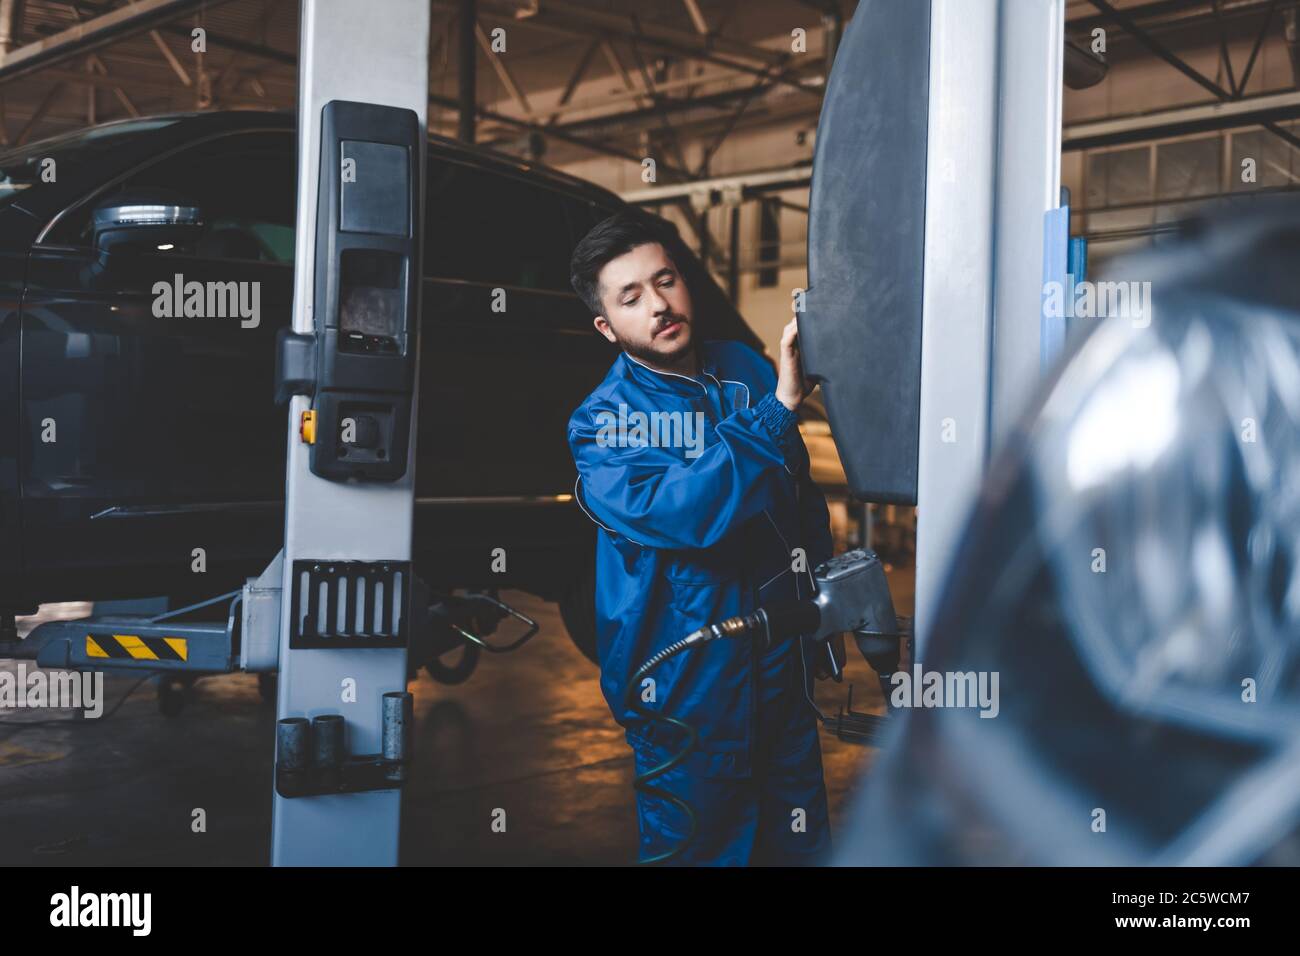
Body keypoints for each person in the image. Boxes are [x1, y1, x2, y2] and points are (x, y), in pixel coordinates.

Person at [566, 211, 836, 865]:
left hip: (779, 678)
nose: (658, 304)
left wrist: (825, 597)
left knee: (795, 848)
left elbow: (797, 496)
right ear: (606, 326)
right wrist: (776, 411)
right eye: (631, 296)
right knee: (703, 852)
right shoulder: (604, 423)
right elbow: (688, 510)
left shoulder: (745, 368)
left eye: (666, 280)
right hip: (686, 691)